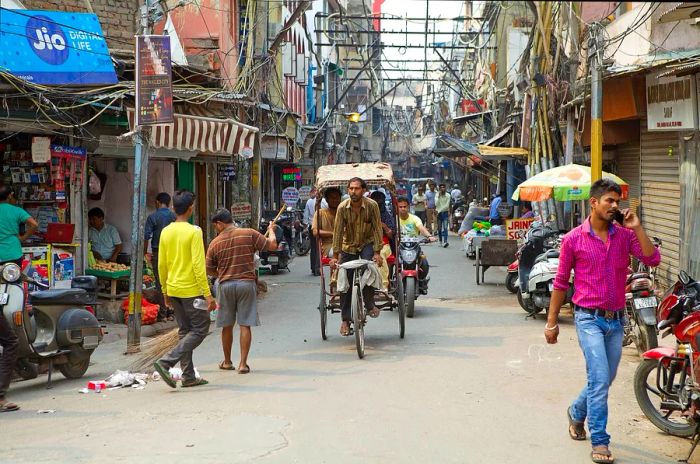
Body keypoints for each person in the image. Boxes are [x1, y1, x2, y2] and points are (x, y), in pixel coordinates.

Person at [545, 179, 660, 464]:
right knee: (598, 377)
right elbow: (560, 283)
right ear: (593, 202)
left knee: (605, 378)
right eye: (609, 200)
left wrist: (637, 227)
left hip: (616, 321)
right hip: (588, 319)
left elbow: (652, 258)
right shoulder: (574, 239)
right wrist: (552, 322)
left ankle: (576, 411)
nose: (615, 206)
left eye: (617, 201)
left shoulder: (624, 236)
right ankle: (600, 441)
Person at [154, 191, 216, 389]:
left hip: (173, 288)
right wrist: (208, 295)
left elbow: (161, 264)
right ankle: (166, 361)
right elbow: (199, 266)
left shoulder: (166, 232)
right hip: (191, 290)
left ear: (173, 209)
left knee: (185, 331)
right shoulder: (194, 232)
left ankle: (188, 375)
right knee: (200, 329)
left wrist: (164, 290)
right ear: (190, 209)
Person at [207, 208, 277, 374]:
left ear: (219, 223)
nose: (215, 229)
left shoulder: (215, 243)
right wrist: (271, 231)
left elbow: (208, 269)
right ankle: (243, 364)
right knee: (245, 324)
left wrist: (222, 273)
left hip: (225, 286)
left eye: (215, 226)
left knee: (227, 325)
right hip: (246, 284)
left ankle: (227, 361)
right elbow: (272, 245)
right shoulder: (249, 233)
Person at [329, 177, 384, 336]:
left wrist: (377, 253)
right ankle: (345, 320)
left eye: (357, 188)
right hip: (348, 246)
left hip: (367, 243)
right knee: (344, 281)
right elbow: (338, 232)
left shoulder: (372, 206)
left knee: (368, 270)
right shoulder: (342, 208)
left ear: (364, 190)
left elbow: (376, 229)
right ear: (348, 190)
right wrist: (336, 255)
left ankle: (369, 303)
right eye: (351, 189)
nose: (353, 191)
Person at [144, 192, 176, 322]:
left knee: (160, 283)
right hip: (173, 253)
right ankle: (172, 312)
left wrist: (145, 253)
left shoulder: (153, 217)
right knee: (172, 281)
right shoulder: (174, 216)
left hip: (159, 253)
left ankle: (163, 314)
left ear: (157, 202)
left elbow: (146, 236)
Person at [397, 197, 436, 292]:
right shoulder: (395, 219)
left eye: (405, 206)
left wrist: (429, 236)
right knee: (391, 262)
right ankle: (391, 283)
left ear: (408, 207)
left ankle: (422, 281)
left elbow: (421, 228)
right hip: (399, 246)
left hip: (414, 246)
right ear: (397, 208)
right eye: (400, 207)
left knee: (424, 262)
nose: (403, 209)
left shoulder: (414, 218)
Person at [0, 185, 38, 266]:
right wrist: (23, 238)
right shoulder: (16, 210)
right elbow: (34, 224)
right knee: (14, 278)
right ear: (10, 196)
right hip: (13, 253)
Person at [312, 187, 342, 257]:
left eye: (337, 197)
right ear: (327, 200)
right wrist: (334, 234)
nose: (335, 200)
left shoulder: (344, 212)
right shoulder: (320, 213)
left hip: (346, 245)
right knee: (341, 255)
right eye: (332, 197)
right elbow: (315, 232)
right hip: (329, 245)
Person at [304, 189, 320, 276]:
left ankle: (313, 268)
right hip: (319, 227)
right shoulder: (324, 201)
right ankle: (317, 268)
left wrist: (305, 225)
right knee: (318, 248)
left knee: (314, 248)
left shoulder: (309, 202)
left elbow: (306, 215)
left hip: (311, 226)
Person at [435, 183, 451, 248]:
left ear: (445, 188)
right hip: (439, 214)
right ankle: (440, 241)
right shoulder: (437, 195)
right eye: (441, 187)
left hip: (444, 213)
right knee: (439, 228)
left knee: (445, 228)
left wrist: (440, 210)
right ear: (439, 189)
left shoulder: (448, 195)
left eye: (443, 187)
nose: (442, 188)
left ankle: (445, 241)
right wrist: (438, 197)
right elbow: (436, 204)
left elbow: (447, 205)